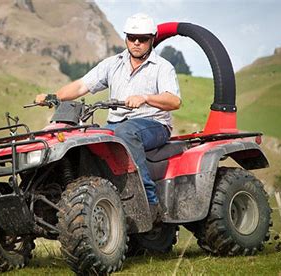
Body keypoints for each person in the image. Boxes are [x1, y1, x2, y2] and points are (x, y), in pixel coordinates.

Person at [35, 13, 181, 224]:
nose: (137, 43)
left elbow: (174, 101)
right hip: (116, 125)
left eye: (143, 38)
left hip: (154, 124)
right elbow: (81, 85)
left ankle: (149, 202)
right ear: (126, 38)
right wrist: (54, 96)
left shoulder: (163, 67)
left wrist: (145, 98)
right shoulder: (113, 64)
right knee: (89, 139)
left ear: (152, 38)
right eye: (132, 38)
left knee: (126, 133)